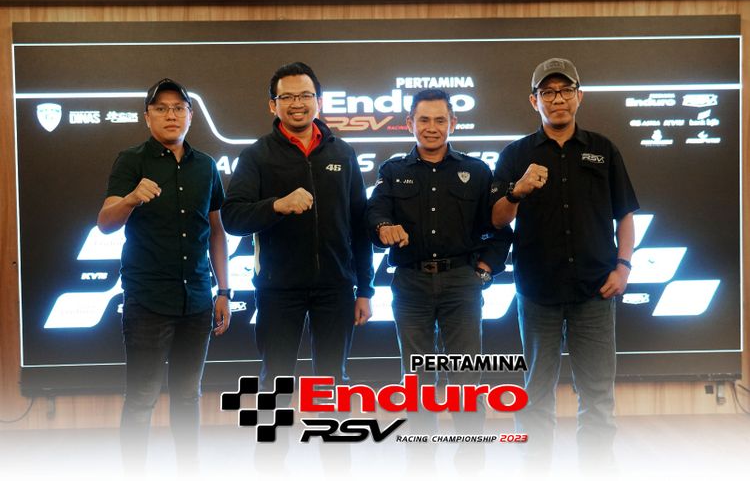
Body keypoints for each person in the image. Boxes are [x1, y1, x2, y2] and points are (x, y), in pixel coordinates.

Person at [490, 58, 639, 471]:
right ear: (534, 101)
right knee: (536, 394)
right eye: (548, 92)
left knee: (597, 395)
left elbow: (625, 215)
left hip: (595, 290)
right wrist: (517, 191)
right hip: (538, 292)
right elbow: (497, 218)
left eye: (565, 90)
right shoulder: (516, 154)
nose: (557, 99)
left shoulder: (603, 150)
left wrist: (624, 267)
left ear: (579, 96)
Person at [97, 78, 231, 474]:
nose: (170, 115)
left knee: (188, 396)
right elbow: (105, 223)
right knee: (141, 398)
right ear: (147, 116)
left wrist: (224, 290)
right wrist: (130, 199)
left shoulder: (206, 166)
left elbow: (217, 231)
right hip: (148, 301)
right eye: (161, 108)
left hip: (197, 299)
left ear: (190, 115)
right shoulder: (131, 161)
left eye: (178, 108)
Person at [221, 62, 374, 400]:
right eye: (287, 97)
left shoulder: (343, 153)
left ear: (318, 101)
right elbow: (232, 218)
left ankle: (332, 437)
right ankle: (273, 438)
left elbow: (359, 225)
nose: (297, 103)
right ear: (272, 105)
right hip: (278, 289)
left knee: (333, 382)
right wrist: (276, 205)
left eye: (305, 95)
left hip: (335, 287)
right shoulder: (256, 156)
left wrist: (365, 288)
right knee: (275, 382)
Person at [366, 89, 512, 438]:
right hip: (410, 284)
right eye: (424, 120)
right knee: (416, 376)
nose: (431, 127)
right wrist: (383, 227)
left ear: (453, 123)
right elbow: (374, 212)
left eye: (440, 120)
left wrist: (484, 271)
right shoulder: (392, 170)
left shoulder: (476, 170)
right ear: (409, 123)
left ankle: (471, 452)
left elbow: (499, 227)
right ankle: (421, 455)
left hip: (461, 282)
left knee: (466, 375)